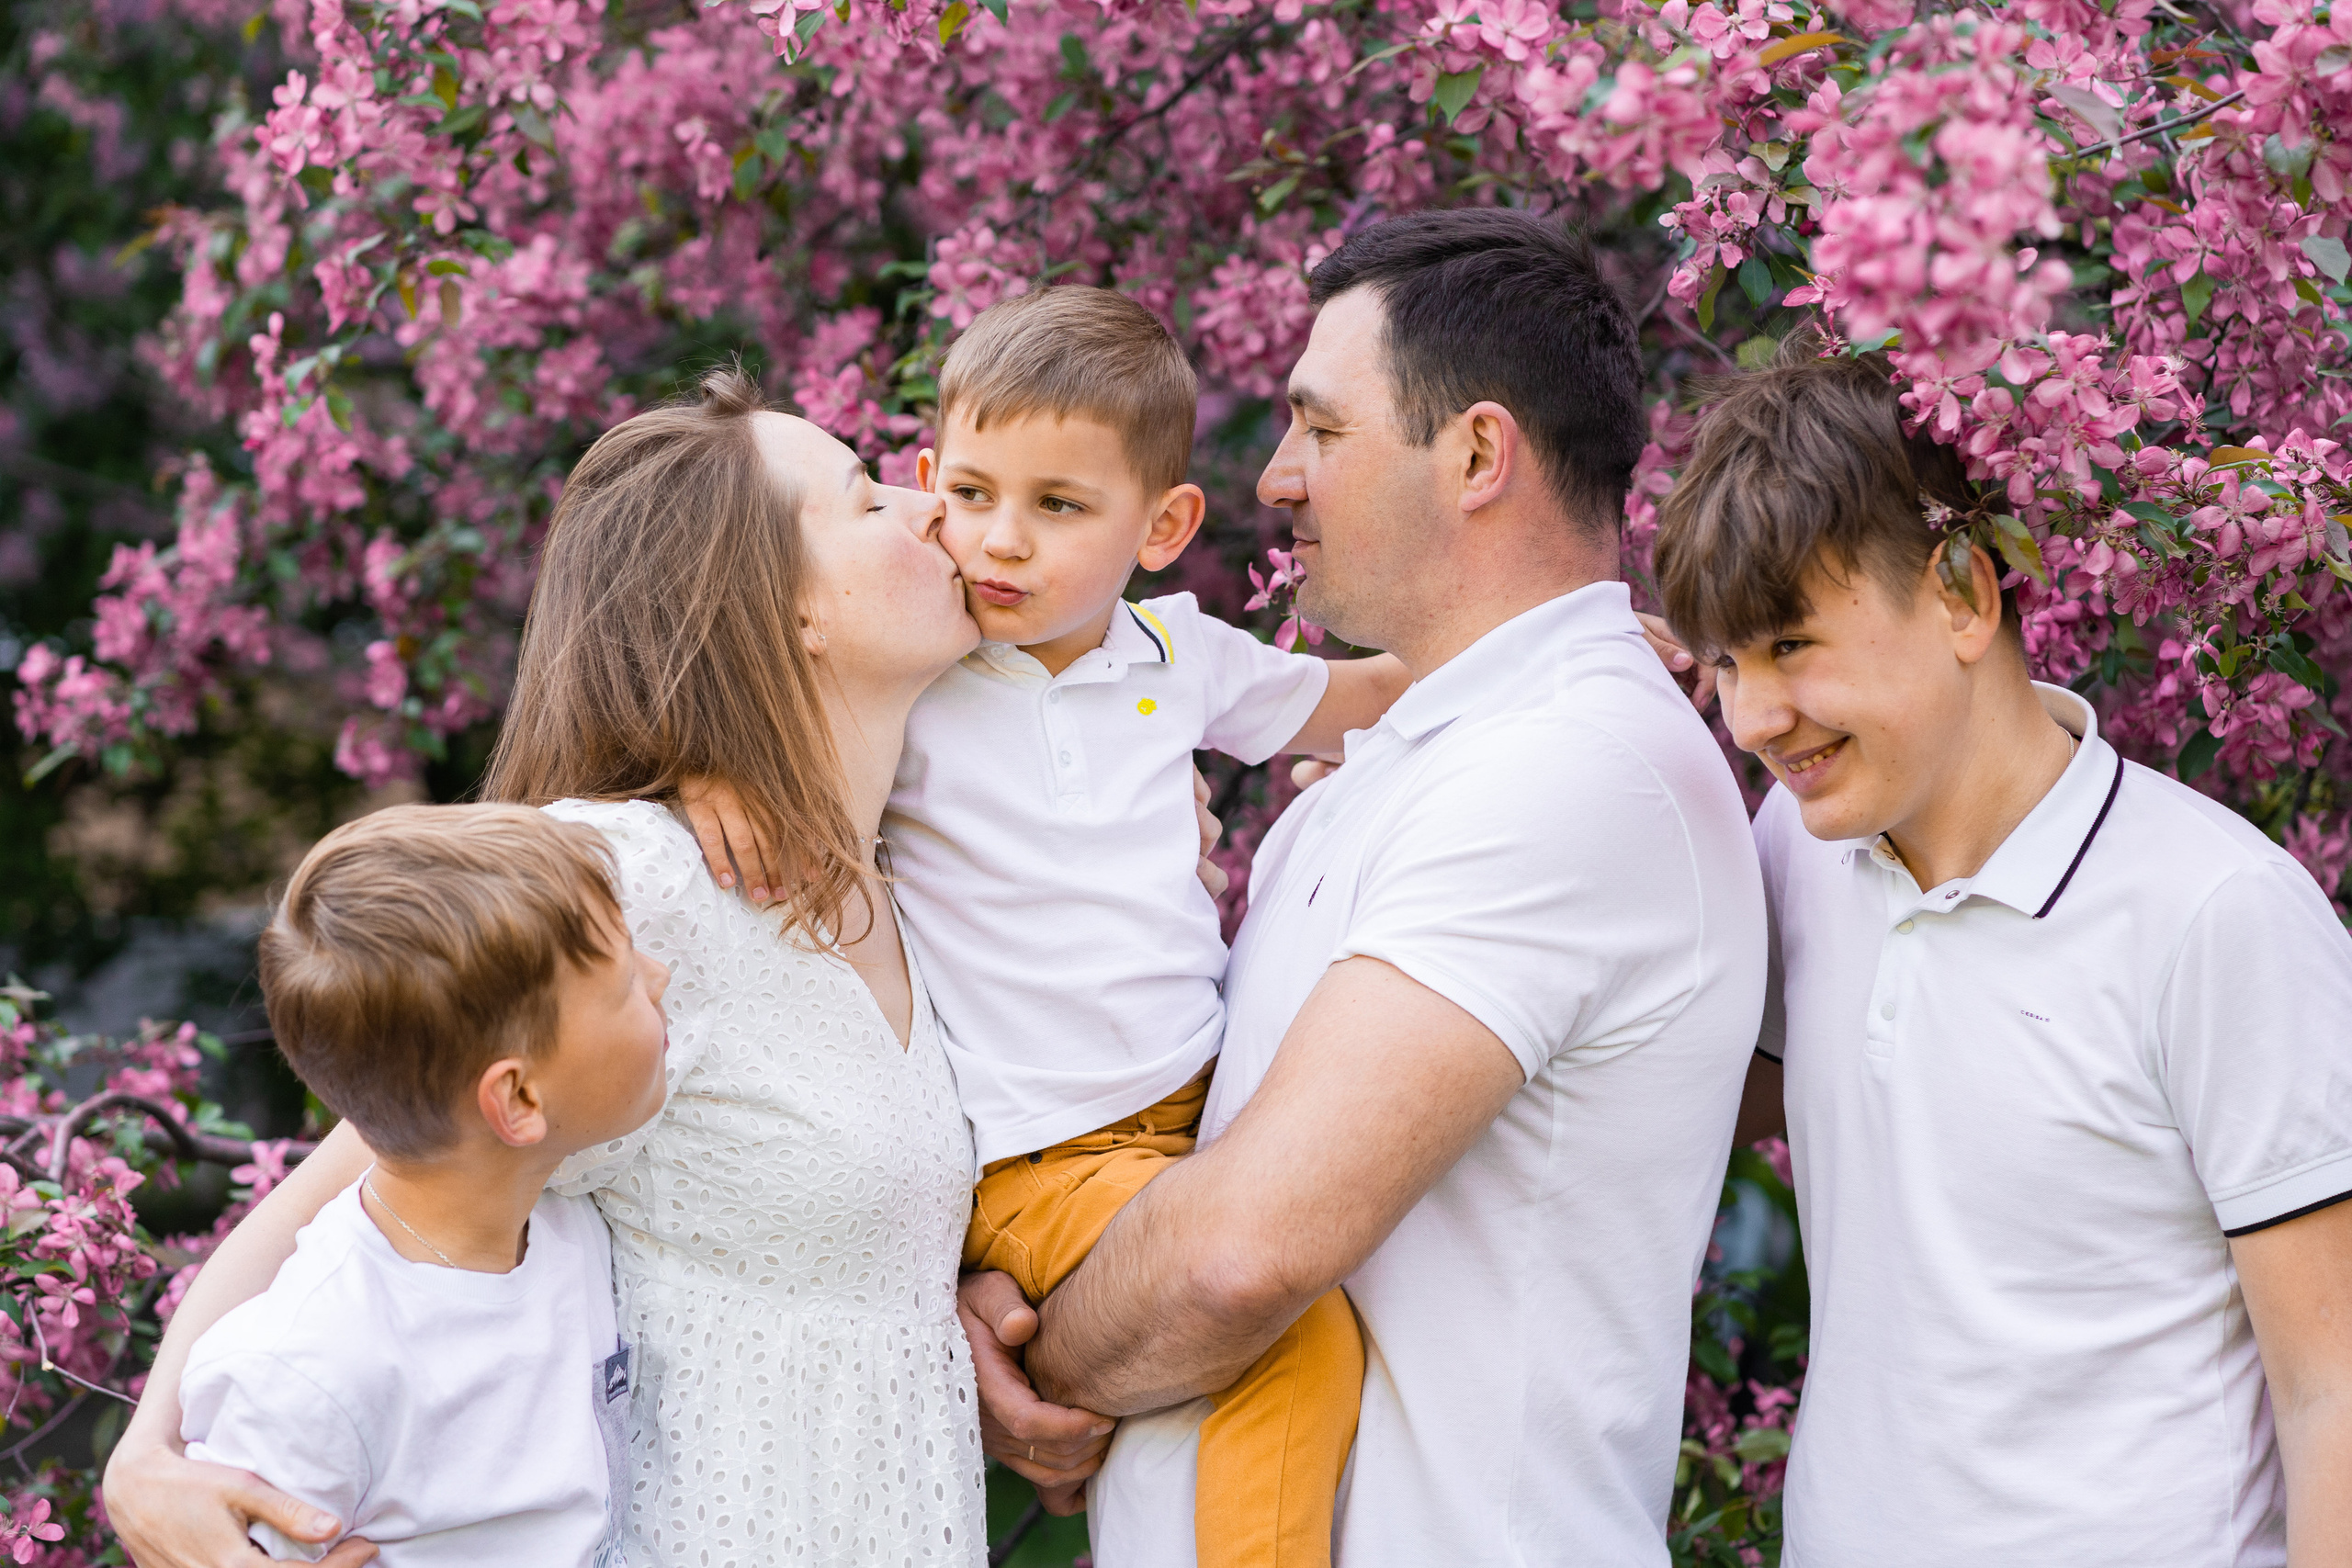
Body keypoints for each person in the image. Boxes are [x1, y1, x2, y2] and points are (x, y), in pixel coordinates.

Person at [963, 210, 1770, 1566]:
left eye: (1321, 430)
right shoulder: (1422, 753)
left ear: (1474, 455)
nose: (1274, 477)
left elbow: (1242, 1251)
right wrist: (1019, 1272)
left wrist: (1040, 1365)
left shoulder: (1567, 768)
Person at [103, 367, 995, 1567]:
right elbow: (357, 1184)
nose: (929, 501)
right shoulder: (638, 882)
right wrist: (148, 1461)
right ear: (786, 609)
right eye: (865, 494)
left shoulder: (920, 863)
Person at [685, 284, 1417, 1568]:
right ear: (931, 476)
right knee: (1294, 1338)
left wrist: (1538, 654)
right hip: (1044, 1149)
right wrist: (714, 778)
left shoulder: (1179, 657)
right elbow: (773, 714)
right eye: (969, 493)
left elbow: (1354, 696)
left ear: (1164, 525)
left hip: (1196, 1114)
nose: (1000, 542)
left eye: (1059, 506)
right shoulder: (931, 669)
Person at [1649, 344, 2352, 1566]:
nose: (1753, 716)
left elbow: (2333, 1385)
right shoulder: (1802, 848)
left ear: (1965, 594)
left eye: (1791, 644)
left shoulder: (2219, 913)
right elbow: (1678, 1087)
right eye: (1725, 663)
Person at [180, 804, 669, 1565]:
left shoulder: (570, 1219)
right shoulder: (310, 1369)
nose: (663, 977)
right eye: (625, 982)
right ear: (519, 1100)